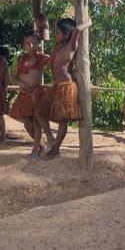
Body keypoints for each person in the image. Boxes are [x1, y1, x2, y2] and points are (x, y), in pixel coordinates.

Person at [34, 17, 92, 159]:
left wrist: (89, 23)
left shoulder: (72, 45)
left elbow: (77, 29)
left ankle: (56, 150)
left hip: (66, 87)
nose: (56, 35)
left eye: (58, 32)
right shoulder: (59, 47)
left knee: (62, 120)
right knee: (39, 112)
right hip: (57, 87)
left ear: (67, 35)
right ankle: (50, 137)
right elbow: (49, 64)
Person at [10, 31, 53, 156]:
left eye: (34, 43)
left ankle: (35, 150)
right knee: (27, 125)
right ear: (24, 45)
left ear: (39, 44)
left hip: (37, 94)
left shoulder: (43, 58)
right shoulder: (21, 59)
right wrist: (21, 84)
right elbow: (16, 77)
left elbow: (56, 62)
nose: (31, 46)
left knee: (36, 122)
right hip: (24, 95)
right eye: (28, 43)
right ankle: (41, 146)